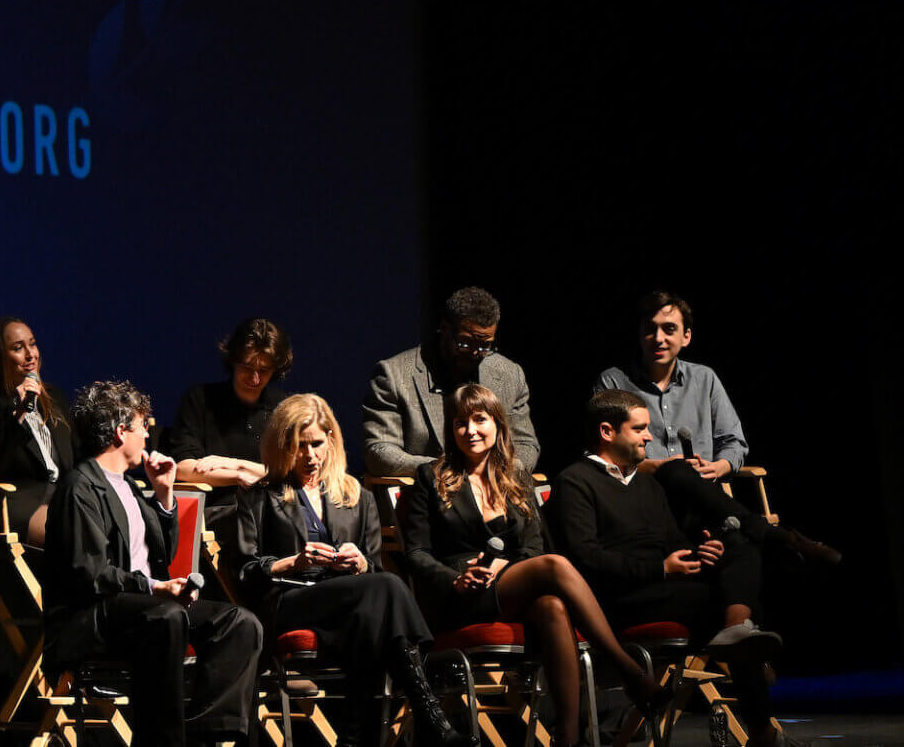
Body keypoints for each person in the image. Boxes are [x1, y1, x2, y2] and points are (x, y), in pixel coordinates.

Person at [399, 384, 665, 746]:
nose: (471, 430)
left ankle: (567, 738)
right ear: (451, 429)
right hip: (458, 597)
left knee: (552, 605)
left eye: (480, 419)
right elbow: (416, 554)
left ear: (497, 424)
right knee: (554, 566)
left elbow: (532, 546)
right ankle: (626, 668)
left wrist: (502, 566)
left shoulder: (515, 476)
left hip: (508, 586)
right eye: (461, 423)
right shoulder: (431, 477)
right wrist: (456, 578)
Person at [546, 390, 786, 747]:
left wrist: (696, 551)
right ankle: (761, 723)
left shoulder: (645, 483)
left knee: (740, 551)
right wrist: (661, 568)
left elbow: (670, 539)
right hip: (620, 596)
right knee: (723, 603)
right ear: (607, 432)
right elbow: (586, 560)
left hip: (666, 583)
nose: (649, 437)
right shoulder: (574, 481)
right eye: (640, 429)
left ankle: (739, 628)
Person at [235, 393, 469, 747]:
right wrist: (294, 561)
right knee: (387, 587)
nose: (310, 456)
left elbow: (372, 565)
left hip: (350, 607)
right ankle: (434, 721)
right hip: (290, 600)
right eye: (299, 446)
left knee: (373, 614)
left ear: (331, 440)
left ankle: (353, 739)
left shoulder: (356, 494)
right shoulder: (260, 496)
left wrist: (360, 562)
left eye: (316, 444)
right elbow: (245, 571)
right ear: (283, 445)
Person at [44, 380, 262, 747]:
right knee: (167, 616)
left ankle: (207, 734)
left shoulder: (130, 486)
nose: (149, 432)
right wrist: (155, 588)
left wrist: (164, 494)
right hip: (94, 615)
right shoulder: (80, 487)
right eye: (143, 424)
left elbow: (163, 554)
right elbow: (90, 573)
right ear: (120, 431)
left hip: (145, 608)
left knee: (240, 624)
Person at [594, 291, 837, 565]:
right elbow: (601, 452)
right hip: (643, 501)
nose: (659, 338)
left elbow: (734, 443)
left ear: (686, 336)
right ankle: (780, 538)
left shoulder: (704, 378)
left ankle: (760, 559)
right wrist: (658, 467)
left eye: (669, 329)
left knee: (743, 552)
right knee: (677, 470)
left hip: (704, 506)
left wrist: (718, 467)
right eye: (650, 329)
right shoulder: (613, 382)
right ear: (639, 334)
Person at [363, 286, 540, 479]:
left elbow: (526, 445)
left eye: (485, 345)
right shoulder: (394, 375)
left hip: (494, 490)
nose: (475, 353)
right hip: (430, 495)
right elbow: (378, 452)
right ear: (444, 329)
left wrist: (496, 471)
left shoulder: (509, 375)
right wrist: (450, 469)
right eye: (465, 343)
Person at [0, 316, 74, 546]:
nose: (31, 355)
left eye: (33, 344)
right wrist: (18, 415)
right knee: (73, 536)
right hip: (13, 501)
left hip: (60, 497)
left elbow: (78, 456)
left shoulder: (53, 398)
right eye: (18, 348)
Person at [162, 316, 288, 488]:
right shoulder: (200, 399)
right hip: (216, 508)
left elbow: (290, 472)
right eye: (247, 367)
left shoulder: (283, 408)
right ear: (233, 360)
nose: (255, 378)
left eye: (264, 370)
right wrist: (238, 476)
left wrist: (235, 464)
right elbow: (183, 468)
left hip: (269, 508)